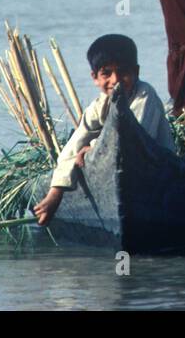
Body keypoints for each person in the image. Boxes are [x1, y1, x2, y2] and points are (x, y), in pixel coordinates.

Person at [31, 34, 174, 226]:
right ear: (95, 78)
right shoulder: (100, 104)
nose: (115, 80)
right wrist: (55, 193)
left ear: (136, 72)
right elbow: (73, 147)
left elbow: (135, 140)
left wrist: (93, 147)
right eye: (106, 73)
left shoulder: (144, 95)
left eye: (123, 72)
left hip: (155, 171)